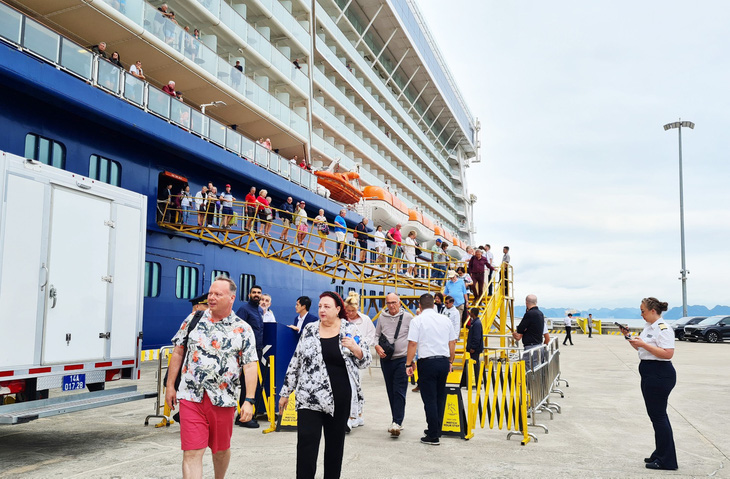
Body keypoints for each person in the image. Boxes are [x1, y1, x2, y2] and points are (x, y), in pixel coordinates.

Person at [165, 277, 257, 479]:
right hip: (191, 396)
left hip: (222, 400)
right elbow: (178, 352)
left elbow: (250, 366)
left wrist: (249, 400)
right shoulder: (193, 320)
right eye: (210, 293)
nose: (212, 298)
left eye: (218, 294)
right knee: (192, 452)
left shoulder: (243, 329)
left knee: (220, 450)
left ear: (231, 298)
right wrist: (170, 386)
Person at [279, 291, 371, 479]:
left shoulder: (350, 330)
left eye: (327, 306)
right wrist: (286, 392)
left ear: (338, 309)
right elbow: (296, 361)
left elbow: (366, 361)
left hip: (339, 397)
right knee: (306, 444)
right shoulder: (310, 329)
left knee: (334, 447)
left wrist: (356, 348)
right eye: (320, 306)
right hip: (309, 398)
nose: (322, 310)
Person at [621, 297, 677, 471]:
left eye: (643, 311)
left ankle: (667, 460)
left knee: (659, 417)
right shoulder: (648, 328)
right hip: (649, 371)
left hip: (660, 373)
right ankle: (660, 452)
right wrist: (629, 338)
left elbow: (668, 354)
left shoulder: (663, 328)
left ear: (653, 311)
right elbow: (642, 349)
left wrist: (644, 343)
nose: (641, 314)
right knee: (656, 416)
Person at [405, 294, 457, 445]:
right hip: (443, 362)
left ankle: (433, 435)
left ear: (420, 306)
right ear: (434, 305)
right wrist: (450, 361)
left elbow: (413, 343)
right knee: (440, 397)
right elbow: (452, 342)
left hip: (427, 362)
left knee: (429, 399)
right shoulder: (445, 320)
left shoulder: (417, 320)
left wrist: (409, 363)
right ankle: (435, 428)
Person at [374, 292, 413, 438]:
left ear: (400, 302)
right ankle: (396, 419)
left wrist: (412, 361)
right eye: (388, 303)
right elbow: (376, 336)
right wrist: (377, 347)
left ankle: (397, 421)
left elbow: (414, 340)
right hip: (386, 360)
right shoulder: (382, 317)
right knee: (391, 390)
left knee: (399, 391)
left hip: (402, 359)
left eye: (393, 302)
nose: (391, 306)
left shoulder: (408, 318)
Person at [343, 292, 376, 429]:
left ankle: (356, 415)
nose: (350, 313)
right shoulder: (343, 321)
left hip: (359, 356)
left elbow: (371, 336)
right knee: (348, 387)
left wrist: (360, 344)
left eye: (352, 311)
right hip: (345, 357)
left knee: (357, 386)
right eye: (348, 311)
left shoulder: (365, 320)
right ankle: (353, 415)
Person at [234, 285, 264, 428]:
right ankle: (243, 417)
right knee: (247, 384)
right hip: (246, 352)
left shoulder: (259, 310)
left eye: (258, 293)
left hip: (257, 350)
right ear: (249, 295)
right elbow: (238, 330)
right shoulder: (244, 310)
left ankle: (245, 415)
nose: (256, 295)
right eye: (254, 293)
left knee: (253, 384)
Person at [512, 294, 545, 367]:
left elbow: (518, 335)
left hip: (531, 348)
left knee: (528, 371)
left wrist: (514, 333)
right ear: (536, 302)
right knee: (538, 370)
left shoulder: (529, 314)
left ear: (526, 303)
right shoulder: (540, 314)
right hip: (539, 346)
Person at [466, 307, 484, 385]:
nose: (470, 313)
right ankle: (477, 380)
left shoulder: (476, 324)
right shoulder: (474, 323)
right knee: (475, 365)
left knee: (476, 365)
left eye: (471, 312)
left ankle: (478, 381)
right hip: (474, 348)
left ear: (473, 313)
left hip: (475, 349)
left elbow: (477, 337)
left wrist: (473, 347)